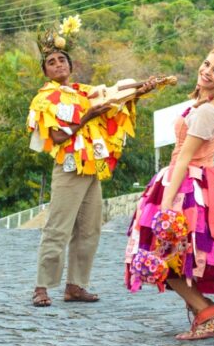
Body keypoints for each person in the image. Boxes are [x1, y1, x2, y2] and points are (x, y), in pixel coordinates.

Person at [27, 16, 155, 307]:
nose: (58, 64)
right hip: (69, 167)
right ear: (45, 71)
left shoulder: (84, 92)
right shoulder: (45, 99)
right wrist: (86, 117)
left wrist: (142, 87)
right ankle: (42, 287)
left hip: (91, 168)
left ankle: (75, 285)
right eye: (51, 62)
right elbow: (57, 137)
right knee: (58, 228)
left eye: (62, 60)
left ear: (70, 65)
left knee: (89, 228)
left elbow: (113, 93)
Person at [124, 49, 214, 341]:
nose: (207, 72)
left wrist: (165, 206)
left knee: (166, 254)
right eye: (206, 64)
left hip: (187, 187)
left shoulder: (207, 111)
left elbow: (185, 157)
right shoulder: (206, 103)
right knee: (178, 255)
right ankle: (202, 311)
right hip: (190, 181)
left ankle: (206, 313)